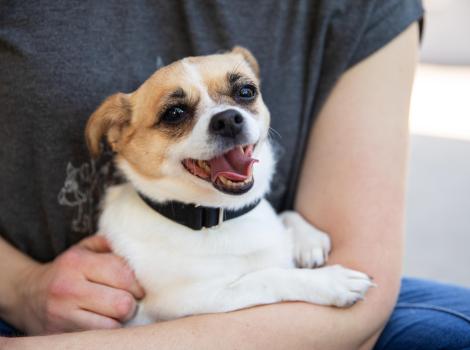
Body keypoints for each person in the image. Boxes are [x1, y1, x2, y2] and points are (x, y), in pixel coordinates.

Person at [0, 0, 469, 349]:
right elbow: (181, 305)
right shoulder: (134, 238)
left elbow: (363, 287)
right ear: (119, 133)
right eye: (176, 114)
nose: (224, 118)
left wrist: (293, 226)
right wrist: (20, 288)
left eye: (242, 93)